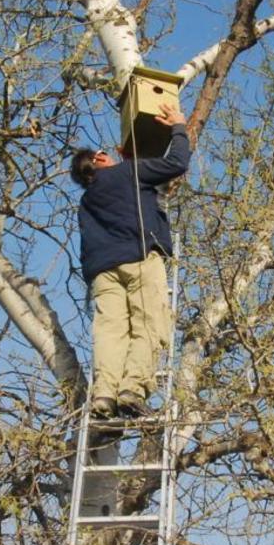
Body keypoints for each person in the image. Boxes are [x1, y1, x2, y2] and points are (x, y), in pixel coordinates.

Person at [71, 101, 190, 419]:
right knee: (150, 325)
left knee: (110, 333)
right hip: (138, 259)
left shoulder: (86, 201)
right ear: (98, 160)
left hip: (103, 273)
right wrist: (179, 125)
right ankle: (132, 390)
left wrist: (128, 164)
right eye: (105, 154)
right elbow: (177, 162)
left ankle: (104, 395)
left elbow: (125, 193)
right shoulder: (129, 172)